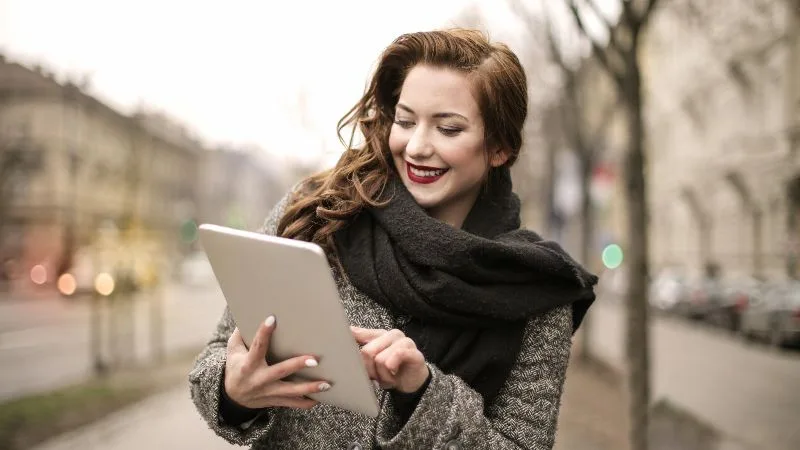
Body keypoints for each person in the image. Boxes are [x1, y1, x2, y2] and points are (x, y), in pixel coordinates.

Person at [190, 28, 597, 450]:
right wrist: (233, 391)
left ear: (499, 148)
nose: (417, 146)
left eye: (449, 129)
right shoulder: (316, 213)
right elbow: (218, 354)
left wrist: (422, 391)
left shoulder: (535, 289)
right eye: (405, 121)